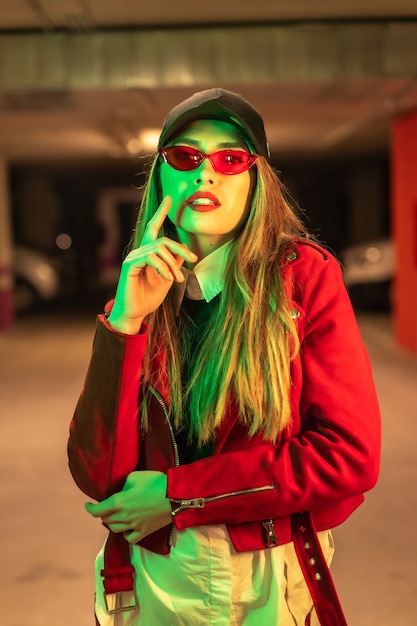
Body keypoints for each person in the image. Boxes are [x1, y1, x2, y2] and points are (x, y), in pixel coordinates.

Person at [68, 88, 381, 626]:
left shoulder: (302, 279)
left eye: (230, 159)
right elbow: (100, 477)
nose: (205, 175)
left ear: (256, 178)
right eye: (185, 157)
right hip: (152, 578)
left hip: (264, 574)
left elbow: (348, 457)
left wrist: (179, 495)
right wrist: (125, 324)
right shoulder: (140, 290)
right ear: (161, 177)